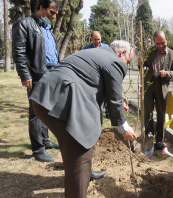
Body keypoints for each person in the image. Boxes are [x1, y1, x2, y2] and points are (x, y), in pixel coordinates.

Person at [29, 40, 137, 197]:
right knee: (81, 152)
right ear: (121, 53)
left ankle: (81, 179)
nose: (127, 64)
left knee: (72, 149)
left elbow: (97, 83)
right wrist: (124, 128)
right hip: (61, 100)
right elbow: (114, 99)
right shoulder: (114, 61)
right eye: (128, 61)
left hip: (44, 97)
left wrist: (118, 102)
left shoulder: (97, 54)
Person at [12, 0, 61, 162]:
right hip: (37, 74)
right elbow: (18, 52)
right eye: (51, 12)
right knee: (36, 112)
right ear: (41, 7)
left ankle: (45, 140)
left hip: (52, 73)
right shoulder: (24, 24)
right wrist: (25, 75)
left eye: (56, 14)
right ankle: (38, 149)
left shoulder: (47, 28)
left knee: (47, 109)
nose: (53, 16)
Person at [141, 30, 173, 150]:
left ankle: (159, 140)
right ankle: (149, 136)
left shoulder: (172, 54)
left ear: (166, 40)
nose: (160, 46)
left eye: (162, 43)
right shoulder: (149, 52)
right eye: (157, 44)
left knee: (161, 114)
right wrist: (140, 64)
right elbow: (144, 66)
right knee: (148, 112)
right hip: (149, 84)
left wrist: (166, 73)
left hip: (162, 87)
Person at [84, 31, 110, 118]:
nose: (97, 41)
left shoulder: (107, 48)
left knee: (108, 92)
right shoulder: (86, 49)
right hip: (93, 75)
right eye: (95, 39)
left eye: (98, 39)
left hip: (105, 74)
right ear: (91, 39)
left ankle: (108, 113)